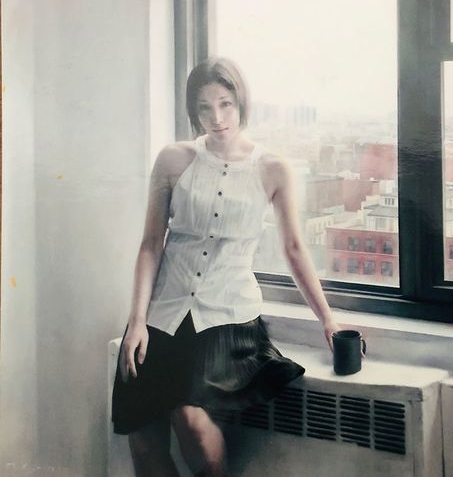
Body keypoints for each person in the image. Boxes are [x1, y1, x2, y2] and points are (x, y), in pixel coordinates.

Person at [111, 57, 342, 477]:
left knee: (191, 421)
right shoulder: (173, 160)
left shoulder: (273, 169)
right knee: (142, 440)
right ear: (193, 111)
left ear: (241, 104)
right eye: (204, 107)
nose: (216, 118)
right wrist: (137, 321)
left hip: (226, 319)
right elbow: (150, 244)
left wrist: (327, 319)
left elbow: (294, 249)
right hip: (161, 314)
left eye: (225, 104)